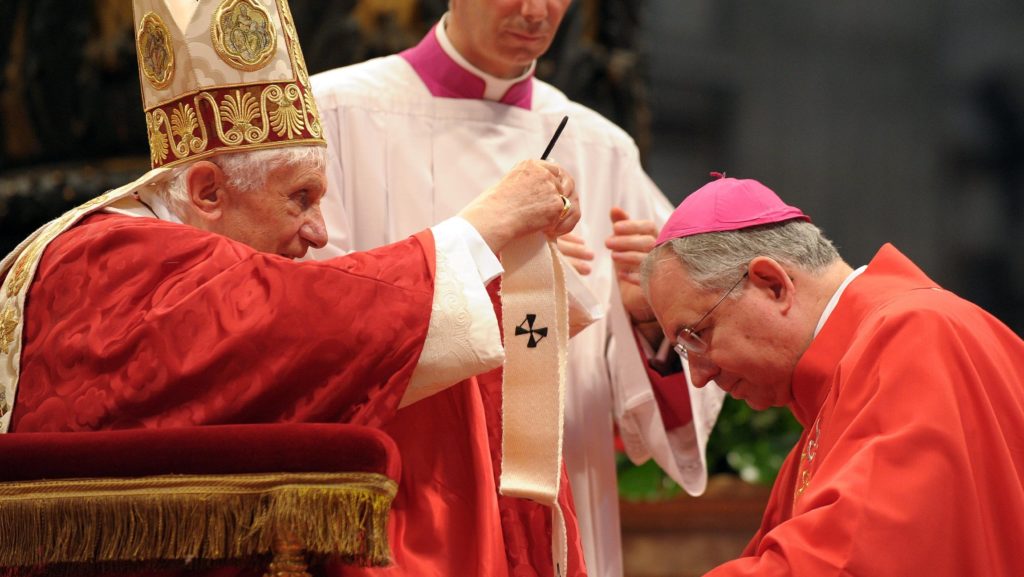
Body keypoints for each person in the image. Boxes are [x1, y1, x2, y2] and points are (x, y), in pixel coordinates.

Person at [0, 2, 580, 575]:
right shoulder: (111, 257)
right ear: (206, 192)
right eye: (300, 198)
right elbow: (285, 319)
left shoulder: (147, 252)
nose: (320, 232)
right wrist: (482, 227)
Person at [309, 2, 725, 575]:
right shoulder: (334, 114)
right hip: (406, 493)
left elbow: (680, 361)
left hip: (562, 490)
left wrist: (648, 318)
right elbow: (308, 312)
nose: (536, 12)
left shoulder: (602, 147)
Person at [641, 174, 1024, 576]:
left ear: (772, 284)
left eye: (696, 335)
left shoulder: (915, 334)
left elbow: (855, 559)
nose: (698, 376)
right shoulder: (842, 389)